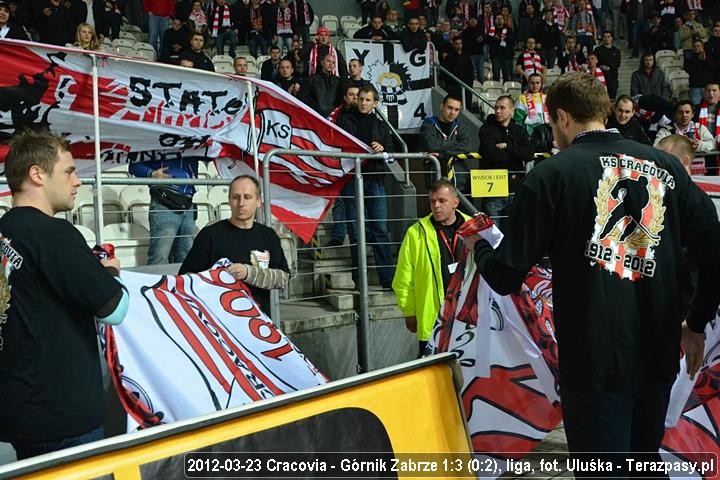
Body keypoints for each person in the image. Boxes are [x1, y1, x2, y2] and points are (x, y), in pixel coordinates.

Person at [465, 72, 720, 474]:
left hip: (594, 364)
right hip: (656, 358)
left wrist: (477, 245)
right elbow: (715, 250)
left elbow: (504, 275)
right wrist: (697, 320)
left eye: (551, 124)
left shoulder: (551, 175)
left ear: (563, 118)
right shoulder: (667, 167)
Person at [0, 131, 128, 459]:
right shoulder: (53, 233)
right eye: (69, 171)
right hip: (62, 415)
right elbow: (114, 308)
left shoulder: (5, 231)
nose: (77, 182)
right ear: (37, 174)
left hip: (20, 409)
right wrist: (110, 272)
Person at [180, 175, 289, 317]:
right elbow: (186, 277)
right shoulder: (210, 235)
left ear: (258, 202)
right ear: (229, 201)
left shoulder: (268, 235)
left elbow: (283, 278)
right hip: (219, 322)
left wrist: (248, 273)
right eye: (236, 197)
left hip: (259, 323)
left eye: (247, 197)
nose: (241, 203)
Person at [393, 180, 472, 356]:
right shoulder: (416, 233)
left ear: (455, 202)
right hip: (433, 321)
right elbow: (403, 278)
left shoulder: (473, 227)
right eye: (432, 201)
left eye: (442, 201)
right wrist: (410, 312)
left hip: (469, 318)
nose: (436, 206)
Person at [337, 85, 395, 290]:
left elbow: (392, 150)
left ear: (375, 103)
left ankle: (387, 278)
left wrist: (383, 148)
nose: (363, 103)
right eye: (361, 99)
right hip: (352, 180)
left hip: (375, 180)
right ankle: (358, 278)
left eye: (368, 100)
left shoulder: (381, 125)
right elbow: (338, 143)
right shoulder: (344, 120)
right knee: (355, 232)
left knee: (380, 229)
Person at [128, 152, 199, 265]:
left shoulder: (192, 141)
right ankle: (157, 282)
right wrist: (151, 173)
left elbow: (211, 154)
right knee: (159, 256)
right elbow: (133, 165)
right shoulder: (155, 139)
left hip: (188, 201)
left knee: (187, 256)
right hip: (164, 199)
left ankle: (182, 283)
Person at [477, 95, 533, 228]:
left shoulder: (520, 130)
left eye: (502, 108)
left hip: (514, 189)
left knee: (513, 233)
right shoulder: (486, 129)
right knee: (492, 234)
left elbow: (529, 154)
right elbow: (491, 155)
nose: (497, 111)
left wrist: (508, 147)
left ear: (512, 111)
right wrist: (516, 155)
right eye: (496, 107)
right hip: (493, 190)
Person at [419, 95, 472, 193]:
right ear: (442, 106)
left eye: (456, 110)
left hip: (459, 180)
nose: (452, 113)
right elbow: (431, 145)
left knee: (461, 208)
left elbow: (467, 146)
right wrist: (455, 142)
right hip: (436, 178)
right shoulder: (429, 123)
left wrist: (441, 154)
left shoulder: (460, 126)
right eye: (450, 108)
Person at [299, 53, 342, 118]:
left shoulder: (338, 81)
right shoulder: (311, 79)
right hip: (315, 116)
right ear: (322, 62)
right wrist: (315, 108)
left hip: (332, 118)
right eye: (328, 61)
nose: (330, 64)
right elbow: (303, 96)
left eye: (333, 62)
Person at [695, 82, 720, 175]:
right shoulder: (696, 109)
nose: (711, 93)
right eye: (708, 91)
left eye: (714, 90)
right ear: (704, 92)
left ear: (719, 92)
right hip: (704, 146)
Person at [685, 40, 718, 107]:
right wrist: (699, 60)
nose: (696, 48)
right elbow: (689, 70)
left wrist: (705, 60)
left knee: (710, 107)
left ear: (702, 47)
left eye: (699, 46)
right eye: (694, 46)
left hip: (708, 86)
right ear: (692, 47)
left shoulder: (709, 56)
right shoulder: (689, 58)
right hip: (695, 87)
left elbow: (714, 68)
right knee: (696, 107)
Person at [441, 36, 474, 101]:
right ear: (453, 44)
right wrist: (448, 84)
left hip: (467, 84)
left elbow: (470, 69)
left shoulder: (466, 55)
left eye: (460, 43)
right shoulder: (450, 56)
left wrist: (471, 82)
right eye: (457, 44)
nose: (459, 45)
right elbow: (446, 70)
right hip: (455, 85)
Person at [488, 15, 516, 82]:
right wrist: (494, 38)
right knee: (496, 75)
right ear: (495, 20)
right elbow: (487, 40)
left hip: (507, 56)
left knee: (507, 76)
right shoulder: (492, 29)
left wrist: (505, 37)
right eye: (497, 18)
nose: (499, 20)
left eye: (501, 18)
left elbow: (513, 39)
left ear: (503, 20)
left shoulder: (508, 29)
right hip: (495, 55)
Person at [593, 30, 620, 99]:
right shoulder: (597, 50)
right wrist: (601, 66)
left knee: (612, 99)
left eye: (608, 36)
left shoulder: (616, 50)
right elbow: (594, 61)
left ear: (612, 38)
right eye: (604, 37)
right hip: (600, 77)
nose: (606, 38)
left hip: (612, 77)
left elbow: (617, 64)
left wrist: (606, 66)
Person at [461, 17, 485, 82]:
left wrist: (483, 40)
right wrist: (476, 41)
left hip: (480, 53)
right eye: (471, 20)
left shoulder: (481, 30)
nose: (473, 21)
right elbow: (465, 42)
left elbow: (485, 40)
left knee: (481, 73)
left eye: (474, 20)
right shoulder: (465, 31)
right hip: (470, 54)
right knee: (472, 72)